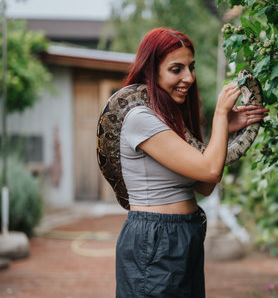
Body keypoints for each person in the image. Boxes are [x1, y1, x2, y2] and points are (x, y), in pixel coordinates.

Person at [115, 27, 268, 298]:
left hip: (184, 235)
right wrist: (221, 115)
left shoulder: (170, 120)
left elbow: (204, 186)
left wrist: (226, 129)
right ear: (152, 70)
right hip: (155, 239)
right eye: (177, 69)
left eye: (191, 67)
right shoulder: (139, 118)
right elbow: (211, 171)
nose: (189, 77)